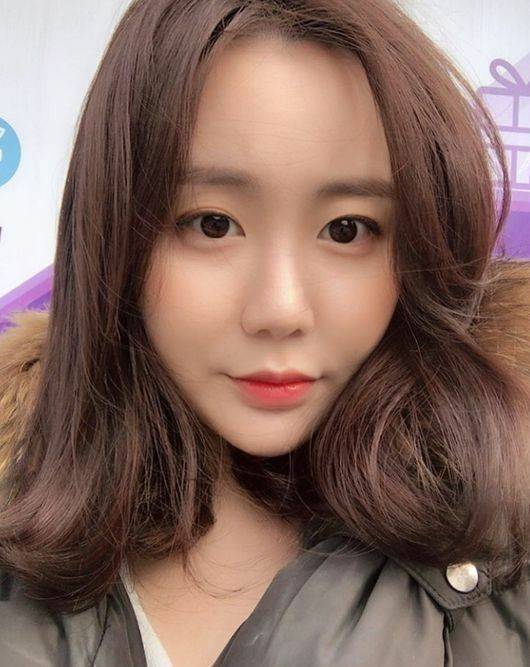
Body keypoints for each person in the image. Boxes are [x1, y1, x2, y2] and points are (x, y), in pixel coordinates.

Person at [0, 0, 529, 665]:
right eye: (213, 224)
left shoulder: (503, 548)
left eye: (347, 229)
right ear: (115, 237)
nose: (281, 309)